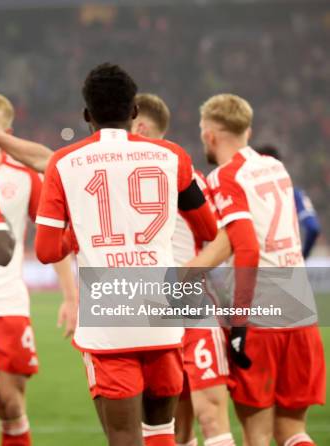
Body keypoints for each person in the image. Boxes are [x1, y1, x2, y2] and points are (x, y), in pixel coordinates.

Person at [34, 63, 218, 446]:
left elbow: (46, 251)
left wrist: (80, 234)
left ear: (87, 115)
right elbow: (208, 230)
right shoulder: (173, 157)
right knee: (161, 434)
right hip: (161, 311)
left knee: (123, 436)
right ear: (134, 112)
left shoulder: (63, 163)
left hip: (108, 315)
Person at [187, 94, 326, 446]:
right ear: (247, 130)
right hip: (302, 313)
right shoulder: (275, 167)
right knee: (293, 432)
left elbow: (246, 247)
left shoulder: (224, 177)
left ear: (210, 134)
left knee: (258, 434)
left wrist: (239, 323)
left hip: (262, 320)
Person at [0, 92, 77, 446]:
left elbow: (54, 239)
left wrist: (70, 297)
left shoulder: (24, 176)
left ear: (6, 130)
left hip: (6, 301)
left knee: (9, 403)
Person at [132, 94, 234, 446]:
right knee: (172, 426)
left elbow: (225, 239)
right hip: (151, 315)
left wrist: (181, 275)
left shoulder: (184, 173)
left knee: (211, 415)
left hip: (192, 310)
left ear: (140, 126)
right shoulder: (119, 174)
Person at [255, 145, 321, 260]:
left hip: (262, 267)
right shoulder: (295, 194)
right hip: (291, 265)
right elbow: (313, 228)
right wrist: (303, 257)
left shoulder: (249, 196)